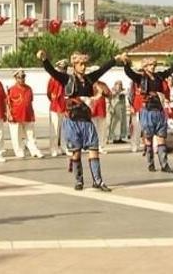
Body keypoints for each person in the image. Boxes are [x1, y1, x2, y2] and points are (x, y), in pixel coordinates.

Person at [40, 49, 123, 191]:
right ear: (74, 65)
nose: (83, 66)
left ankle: (98, 180)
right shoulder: (67, 79)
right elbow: (52, 72)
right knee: (76, 152)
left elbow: (103, 69)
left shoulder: (90, 78)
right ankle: (79, 180)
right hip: (72, 121)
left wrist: (116, 59)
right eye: (80, 64)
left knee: (94, 149)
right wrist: (44, 60)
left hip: (86, 121)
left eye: (85, 64)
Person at [120, 52, 173, 173]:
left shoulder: (159, 76)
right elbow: (129, 73)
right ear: (144, 67)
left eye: (153, 65)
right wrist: (126, 63)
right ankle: (150, 163)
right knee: (148, 137)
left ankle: (164, 164)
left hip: (158, 109)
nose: (152, 67)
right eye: (149, 65)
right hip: (147, 110)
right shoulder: (140, 77)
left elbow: (170, 70)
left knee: (161, 137)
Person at [7, 70, 44, 159]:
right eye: (20, 77)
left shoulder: (28, 88)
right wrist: (9, 114)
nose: (22, 79)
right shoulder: (11, 89)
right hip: (15, 116)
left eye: (23, 77)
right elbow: (7, 103)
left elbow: (30, 101)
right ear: (15, 78)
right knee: (16, 135)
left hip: (28, 115)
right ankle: (19, 152)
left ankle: (34, 151)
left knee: (31, 135)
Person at [46, 59, 69, 157]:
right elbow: (49, 93)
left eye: (65, 68)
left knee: (65, 129)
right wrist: (54, 101)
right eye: (62, 68)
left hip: (65, 106)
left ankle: (64, 147)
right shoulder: (52, 79)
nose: (64, 70)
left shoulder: (68, 79)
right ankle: (53, 148)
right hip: (55, 106)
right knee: (54, 129)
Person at [92, 79, 111, 153]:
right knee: (93, 129)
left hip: (101, 109)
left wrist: (102, 91)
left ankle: (100, 146)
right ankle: (93, 145)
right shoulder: (89, 83)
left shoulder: (102, 84)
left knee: (102, 129)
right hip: (92, 109)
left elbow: (109, 94)